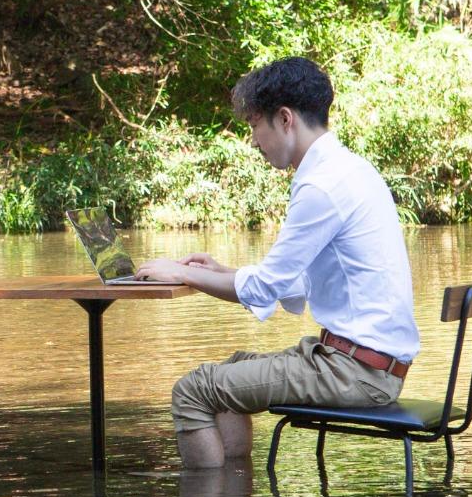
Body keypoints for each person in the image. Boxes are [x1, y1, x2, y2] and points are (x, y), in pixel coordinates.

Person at [136, 57, 419, 468]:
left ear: (284, 119)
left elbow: (265, 288)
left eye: (254, 125)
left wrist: (182, 274)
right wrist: (216, 271)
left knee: (192, 391)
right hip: (360, 364)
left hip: (355, 373)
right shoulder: (349, 169)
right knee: (232, 369)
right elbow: (296, 283)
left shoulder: (322, 185)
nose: (253, 139)